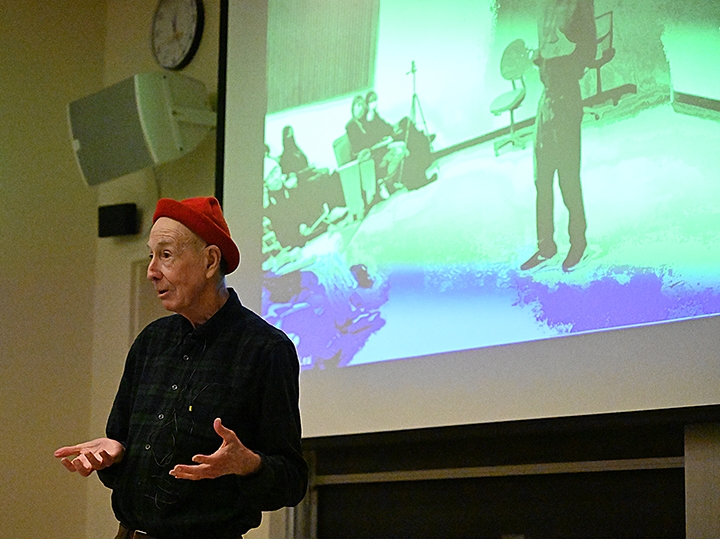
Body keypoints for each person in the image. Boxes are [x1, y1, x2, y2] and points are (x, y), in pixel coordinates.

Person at [55, 197, 308, 539]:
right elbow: (120, 450)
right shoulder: (150, 342)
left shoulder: (266, 349)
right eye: (151, 255)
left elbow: (291, 481)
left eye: (166, 255)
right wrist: (115, 455)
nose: (151, 271)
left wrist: (248, 463)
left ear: (210, 261)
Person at [521, 0, 596, 272]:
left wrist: (565, 48)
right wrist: (538, 56)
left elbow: (589, 50)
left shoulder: (579, 3)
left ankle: (579, 243)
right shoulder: (544, 6)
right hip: (547, 99)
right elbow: (546, 50)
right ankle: (546, 247)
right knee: (541, 180)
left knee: (567, 178)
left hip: (566, 97)